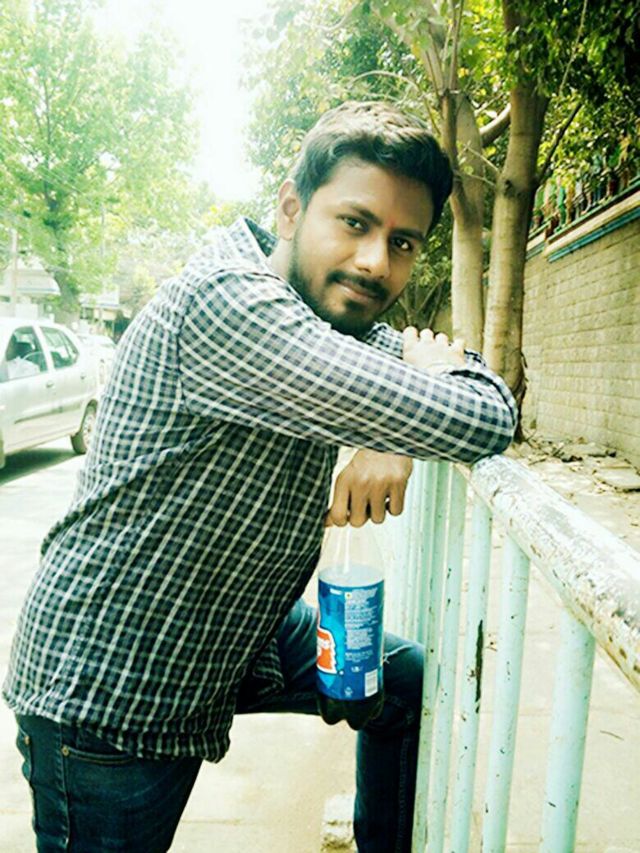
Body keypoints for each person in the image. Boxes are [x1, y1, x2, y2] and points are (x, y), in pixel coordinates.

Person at [4, 100, 517, 852]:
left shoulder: (327, 318)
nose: (377, 261)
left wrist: (397, 432)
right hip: (114, 685)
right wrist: (406, 415)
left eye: (402, 241)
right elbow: (477, 417)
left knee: (399, 681)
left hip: (237, 631)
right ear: (290, 208)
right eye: (354, 222)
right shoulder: (232, 304)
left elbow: (472, 397)